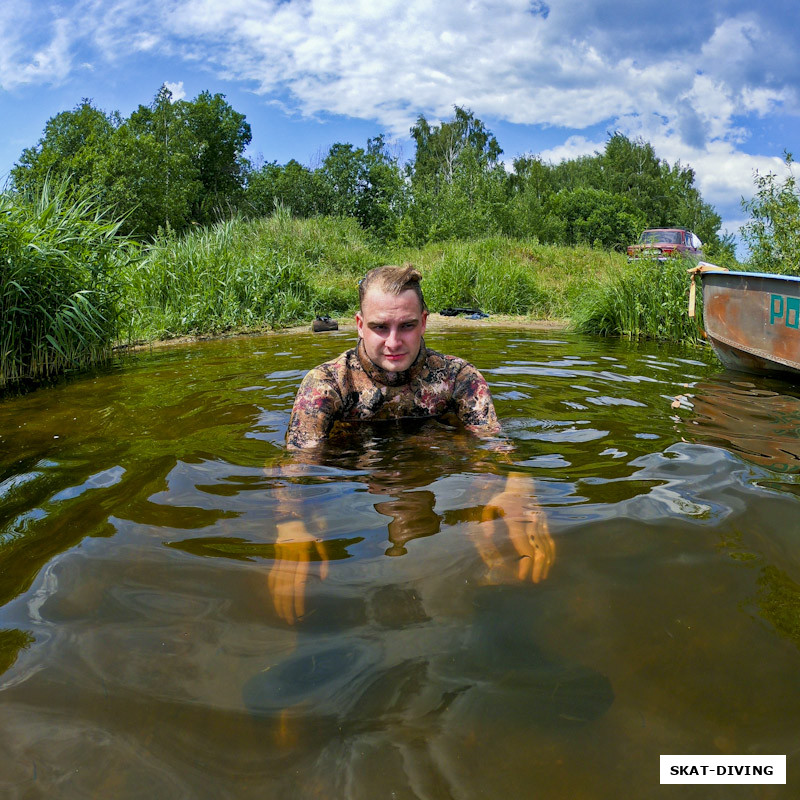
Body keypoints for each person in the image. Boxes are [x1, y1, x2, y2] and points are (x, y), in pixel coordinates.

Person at [270, 264, 555, 624]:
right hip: (355, 472)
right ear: (359, 324)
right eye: (379, 327)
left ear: (424, 321)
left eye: (406, 325)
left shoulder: (458, 377)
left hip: (431, 457)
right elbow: (298, 460)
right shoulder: (326, 383)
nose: (393, 341)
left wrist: (514, 483)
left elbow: (490, 441)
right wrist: (290, 522)